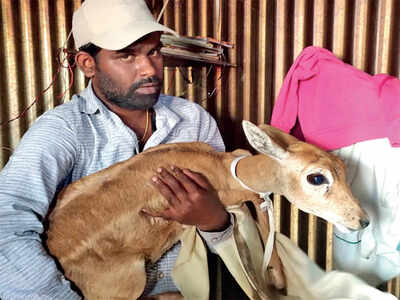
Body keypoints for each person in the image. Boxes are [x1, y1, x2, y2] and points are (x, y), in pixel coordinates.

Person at [0, 0, 237, 299]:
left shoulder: (193, 122)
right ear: (88, 64)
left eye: (153, 51)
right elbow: (6, 227)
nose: (149, 69)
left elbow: (236, 240)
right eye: (126, 56)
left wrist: (214, 222)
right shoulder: (64, 130)